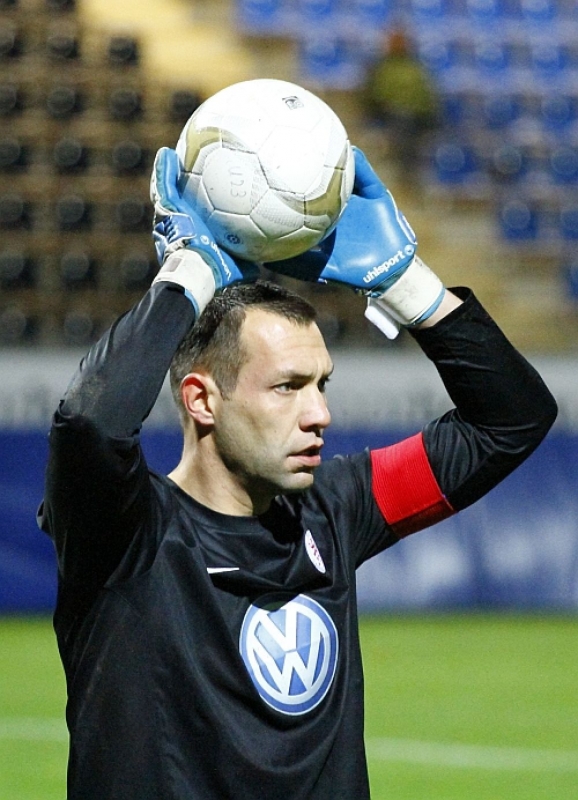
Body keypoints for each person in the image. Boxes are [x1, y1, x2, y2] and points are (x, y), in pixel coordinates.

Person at [38, 145, 557, 800]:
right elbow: (91, 423)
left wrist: (407, 286)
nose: (320, 414)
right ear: (202, 400)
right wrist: (189, 270)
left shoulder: (336, 508)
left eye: (322, 384)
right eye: (288, 387)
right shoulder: (123, 533)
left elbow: (511, 421)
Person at [362, 28, 441, 180]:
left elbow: (426, 95)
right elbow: (374, 93)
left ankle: (411, 173)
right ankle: (404, 172)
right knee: (402, 125)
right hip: (390, 115)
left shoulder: (416, 68)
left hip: (419, 116)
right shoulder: (380, 68)